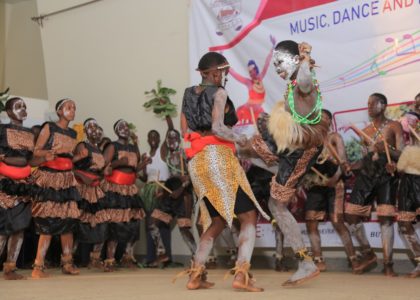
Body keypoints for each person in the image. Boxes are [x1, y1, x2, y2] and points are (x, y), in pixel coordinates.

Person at [178, 52, 269, 292]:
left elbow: (184, 135)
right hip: (218, 159)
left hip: (197, 163)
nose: (222, 76)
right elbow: (218, 128)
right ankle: (241, 274)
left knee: (217, 221)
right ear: (209, 73)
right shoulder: (219, 92)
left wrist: (194, 156)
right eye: (219, 72)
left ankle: (195, 275)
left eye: (222, 72)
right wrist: (243, 139)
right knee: (249, 216)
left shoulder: (188, 94)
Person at [241, 40, 329, 286]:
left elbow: (305, 82)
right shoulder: (291, 87)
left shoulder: (303, 81)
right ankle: (304, 261)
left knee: (277, 204)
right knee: (253, 153)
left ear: (294, 59)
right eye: (276, 63)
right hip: (295, 148)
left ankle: (306, 262)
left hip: (301, 147)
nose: (277, 68)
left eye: (280, 62)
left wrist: (304, 59)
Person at [303, 109, 373, 273]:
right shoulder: (309, 141)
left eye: (326, 118)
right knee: (311, 222)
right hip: (315, 184)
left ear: (330, 122)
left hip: (335, 185)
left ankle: (353, 259)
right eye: (320, 118)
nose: (323, 120)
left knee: (337, 222)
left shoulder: (334, 137)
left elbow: (343, 162)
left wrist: (335, 178)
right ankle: (318, 259)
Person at [345, 93, 404, 277]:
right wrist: (351, 166)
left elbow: (401, 154)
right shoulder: (367, 130)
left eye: (373, 103)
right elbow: (365, 159)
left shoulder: (394, 126)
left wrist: (388, 152)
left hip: (386, 176)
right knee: (351, 215)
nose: (369, 106)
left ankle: (388, 264)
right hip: (367, 176)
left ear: (383, 105)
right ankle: (368, 253)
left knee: (386, 219)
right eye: (368, 103)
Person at [31, 99, 81, 278]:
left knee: (67, 220)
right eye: (69, 107)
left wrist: (78, 158)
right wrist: (46, 154)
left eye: (74, 107)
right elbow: (36, 151)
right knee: (49, 221)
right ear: (59, 111)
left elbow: (69, 157)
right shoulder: (49, 128)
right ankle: (38, 267)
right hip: (50, 177)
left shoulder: (74, 133)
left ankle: (67, 263)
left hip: (67, 178)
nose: (72, 110)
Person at [101, 119, 146, 271]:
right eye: (121, 127)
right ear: (116, 131)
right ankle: (110, 260)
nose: (124, 129)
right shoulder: (113, 146)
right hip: (116, 189)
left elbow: (135, 168)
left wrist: (144, 164)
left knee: (133, 224)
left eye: (126, 126)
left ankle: (128, 257)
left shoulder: (134, 147)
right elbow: (104, 167)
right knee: (116, 224)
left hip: (130, 189)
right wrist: (117, 163)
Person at [0, 98, 35, 279]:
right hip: (4, 183)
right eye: (18, 106)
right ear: (8, 112)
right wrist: (6, 161)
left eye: (24, 106)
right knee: (3, 227)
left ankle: (10, 267)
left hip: (24, 185)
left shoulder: (30, 133)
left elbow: (29, 159)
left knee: (19, 226)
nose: (23, 109)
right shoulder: (2, 130)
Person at [73, 118, 108, 269]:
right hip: (83, 187)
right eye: (91, 127)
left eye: (96, 126)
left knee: (102, 221)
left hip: (96, 188)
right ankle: (70, 258)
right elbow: (72, 165)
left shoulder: (99, 148)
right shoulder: (83, 145)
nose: (95, 129)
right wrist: (82, 176)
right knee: (79, 222)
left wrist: (104, 172)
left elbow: (98, 169)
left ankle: (95, 258)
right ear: (86, 131)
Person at [229, 35, 276, 127]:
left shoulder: (260, 77)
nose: (251, 73)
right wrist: (224, 64)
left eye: (252, 70)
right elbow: (234, 74)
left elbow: (267, 62)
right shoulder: (248, 82)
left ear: (256, 69)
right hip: (247, 112)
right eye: (249, 72)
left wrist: (273, 47)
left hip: (258, 112)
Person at [395, 114, 420, 277]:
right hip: (408, 186)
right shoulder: (409, 148)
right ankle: (419, 261)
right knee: (405, 222)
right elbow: (400, 168)